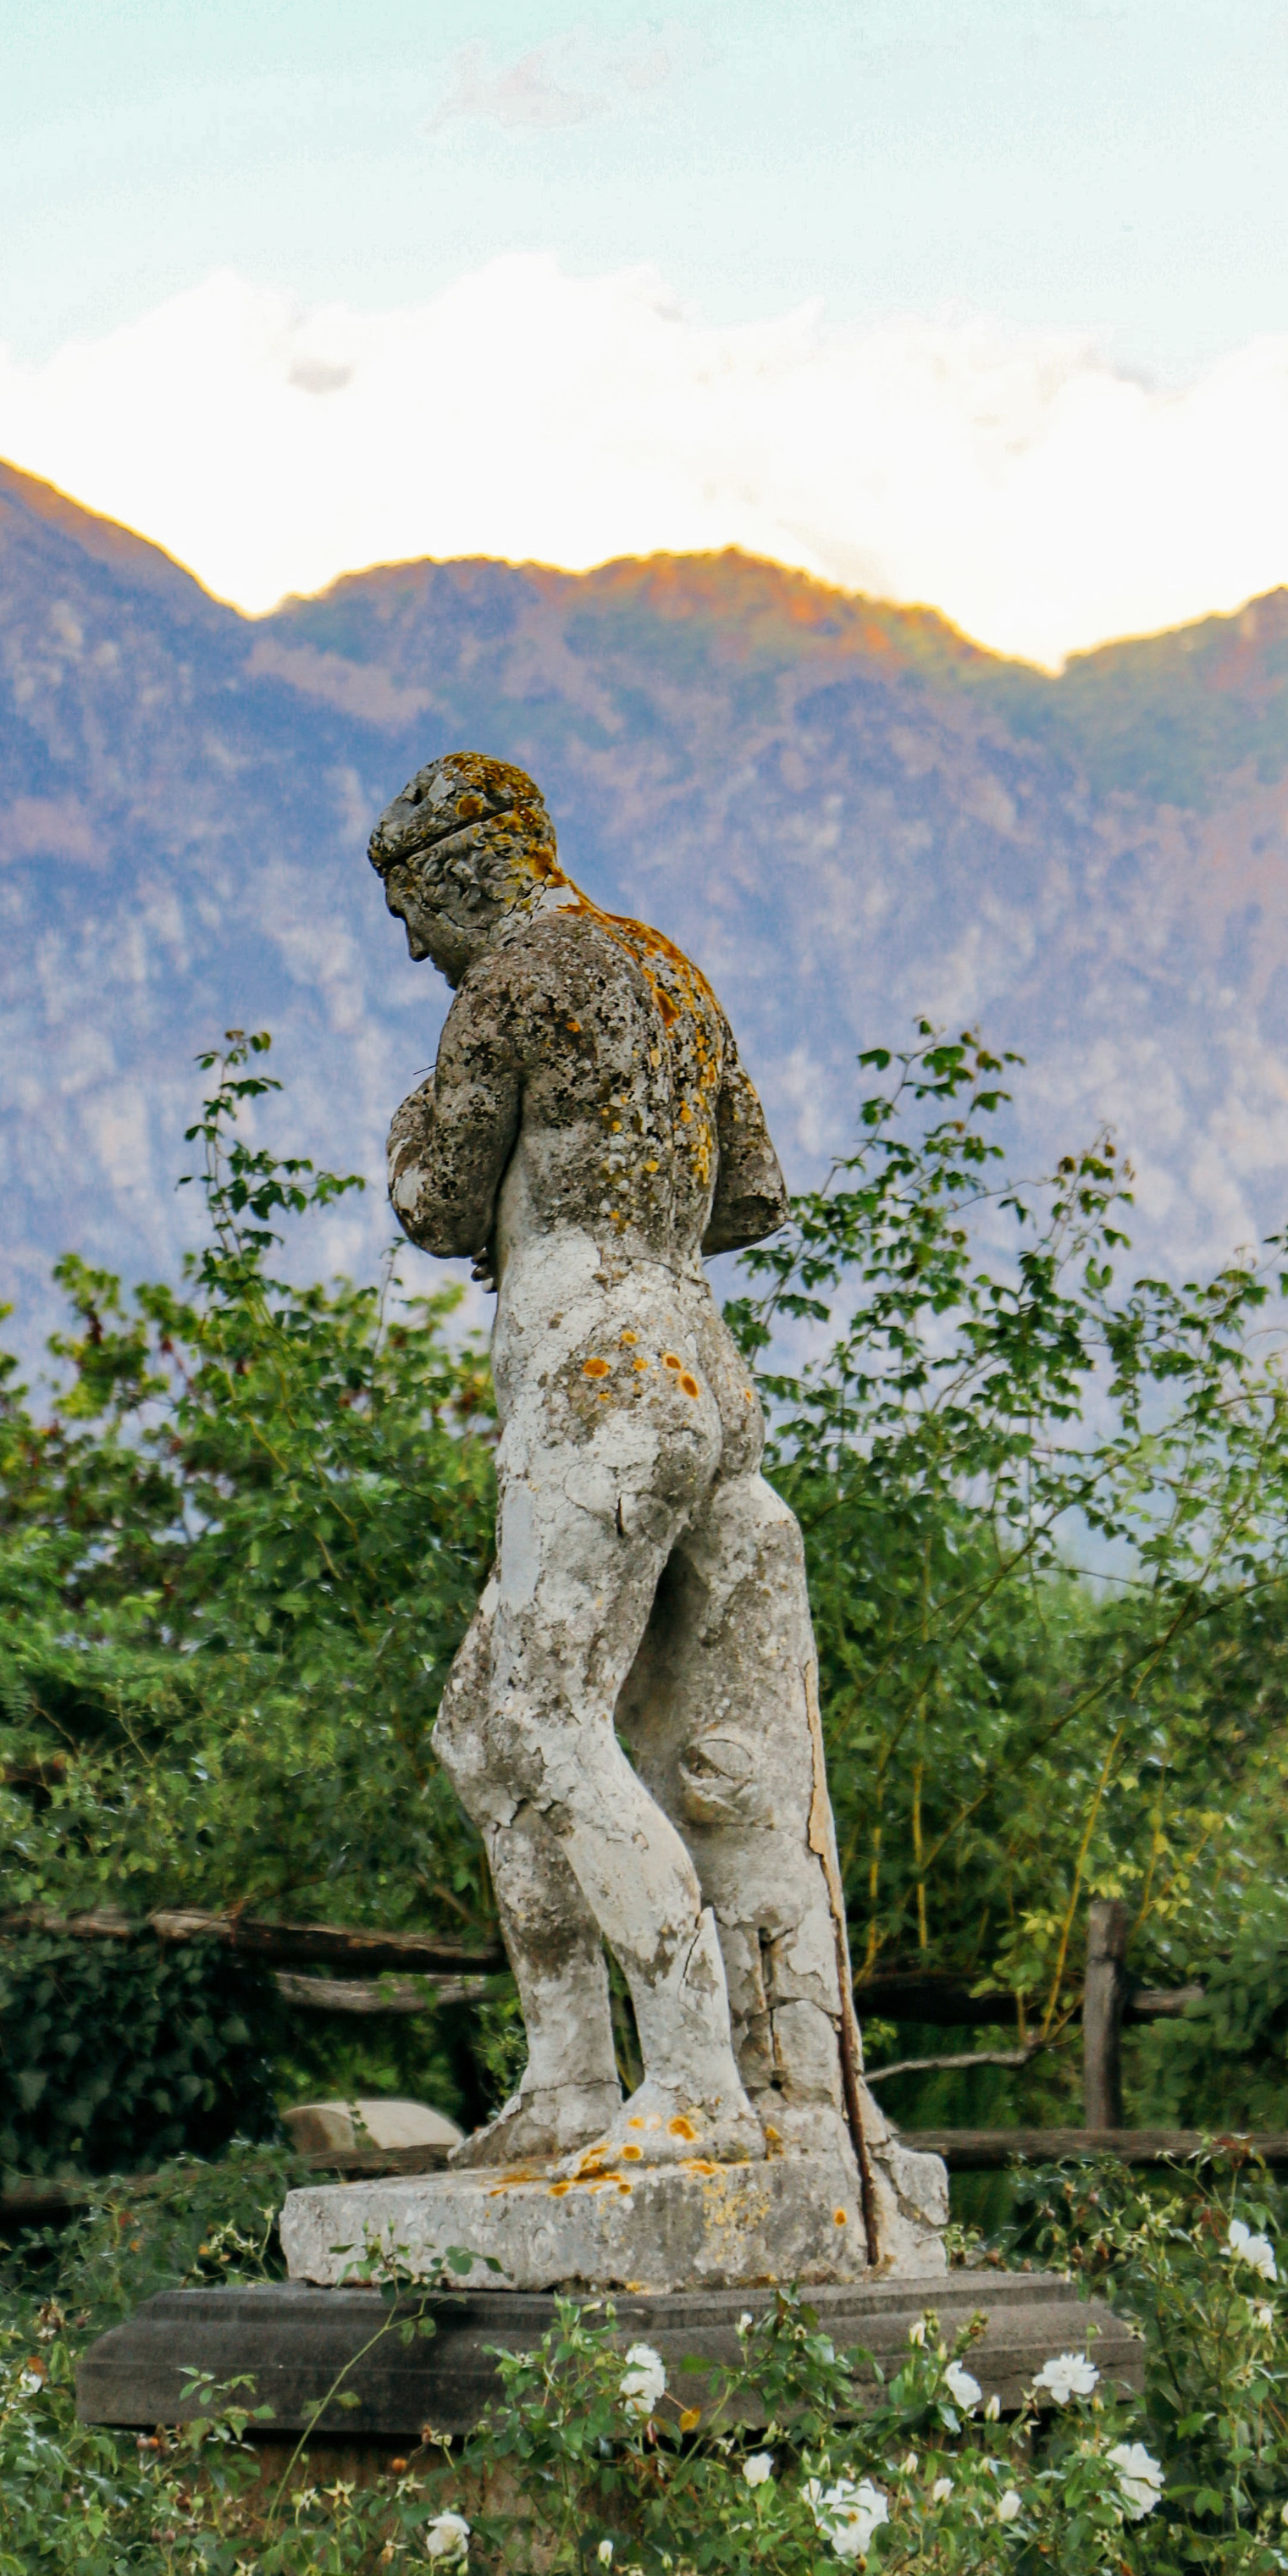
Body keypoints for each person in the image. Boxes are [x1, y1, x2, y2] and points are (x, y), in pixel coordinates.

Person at [373, 753, 943, 2259]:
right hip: (702, 1357)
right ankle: (573, 2082)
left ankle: (689, 2077)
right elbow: (752, 1189)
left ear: (456, 875)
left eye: (406, 908)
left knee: (549, 1715)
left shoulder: (511, 979)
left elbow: (435, 1201)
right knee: (484, 1721)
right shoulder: (672, 975)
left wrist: (412, 1138)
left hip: (596, 1375)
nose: (407, 945)